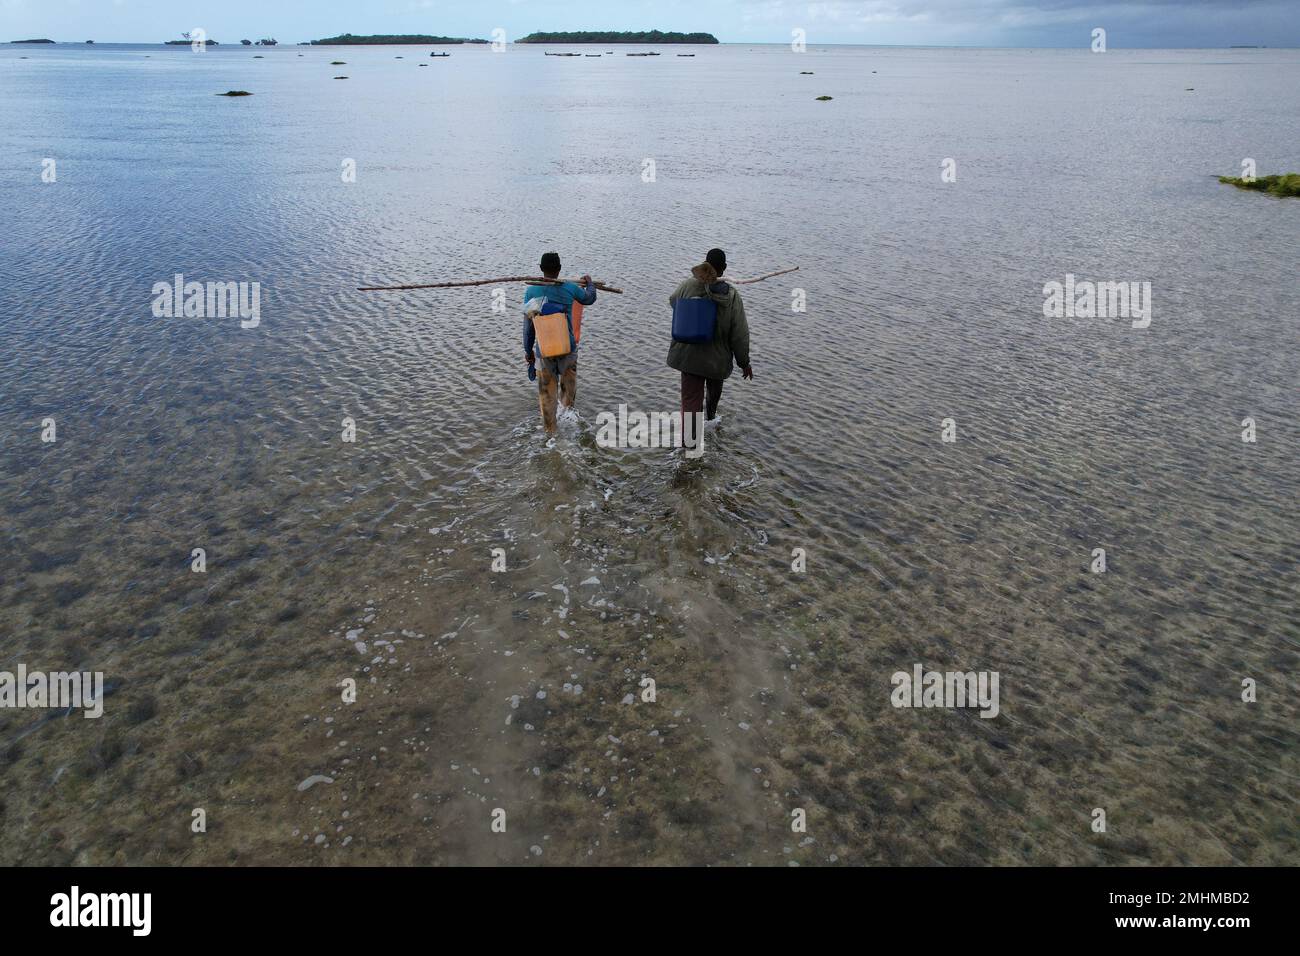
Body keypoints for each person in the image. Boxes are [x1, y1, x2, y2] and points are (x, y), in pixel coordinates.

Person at [667, 248, 751, 448]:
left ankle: (689, 445)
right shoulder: (731, 296)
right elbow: (739, 333)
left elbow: (672, 301)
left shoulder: (688, 285)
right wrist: (744, 362)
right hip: (717, 360)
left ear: (705, 264)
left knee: (690, 402)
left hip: (689, 357)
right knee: (713, 395)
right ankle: (711, 420)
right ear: (723, 269)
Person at [522, 252, 596, 433]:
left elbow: (528, 327)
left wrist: (528, 351)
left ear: (541, 269)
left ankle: (551, 433)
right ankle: (569, 422)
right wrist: (590, 283)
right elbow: (589, 298)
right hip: (567, 349)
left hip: (544, 351)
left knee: (547, 399)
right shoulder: (569, 288)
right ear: (560, 269)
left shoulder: (531, 291)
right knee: (568, 397)